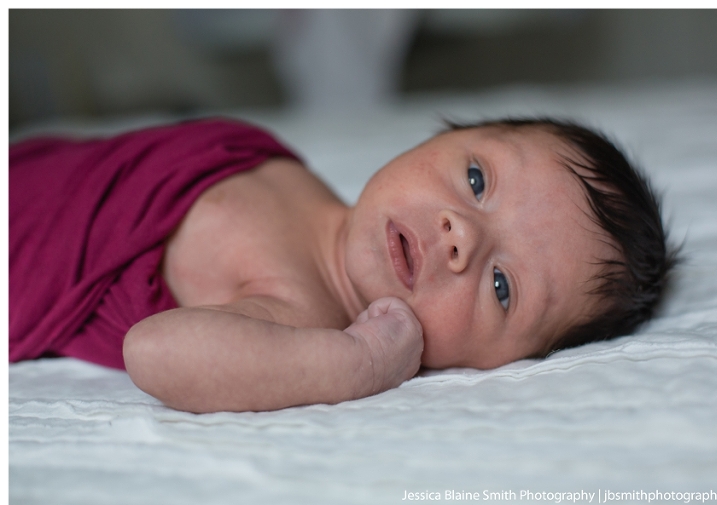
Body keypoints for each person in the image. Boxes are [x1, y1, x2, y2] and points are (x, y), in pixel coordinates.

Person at [9, 117, 676, 413]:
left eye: (502, 287)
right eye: (475, 178)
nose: (458, 236)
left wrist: (354, 363)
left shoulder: (299, 314)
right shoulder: (283, 168)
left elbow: (154, 351)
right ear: (439, 137)